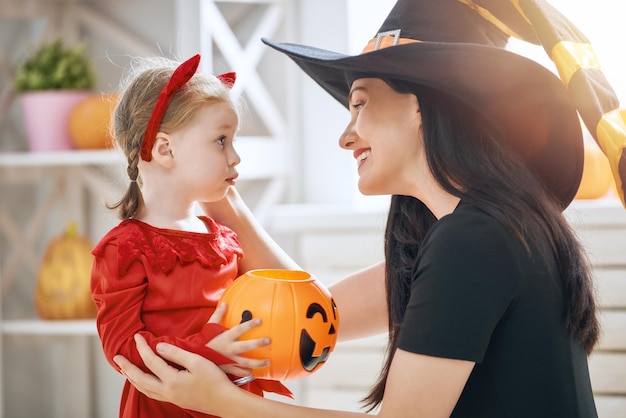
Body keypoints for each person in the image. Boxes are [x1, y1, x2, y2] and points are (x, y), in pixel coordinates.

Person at [112, 0, 607, 416]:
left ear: (421, 105)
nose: (346, 136)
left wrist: (225, 402)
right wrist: (225, 201)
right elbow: (315, 317)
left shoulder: (473, 242)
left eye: (360, 104)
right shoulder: (484, 230)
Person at [90, 54, 294, 418]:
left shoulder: (225, 239)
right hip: (166, 407)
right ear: (166, 150)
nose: (235, 157)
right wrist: (207, 348)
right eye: (220, 141)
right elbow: (122, 349)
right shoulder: (125, 249)